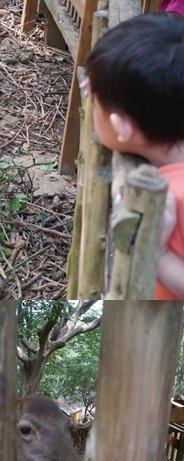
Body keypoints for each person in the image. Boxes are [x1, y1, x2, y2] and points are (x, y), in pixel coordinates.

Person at [84, 11, 184, 298]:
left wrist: (160, 255)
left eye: (95, 106)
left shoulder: (176, 198)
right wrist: (106, 87)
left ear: (123, 128)